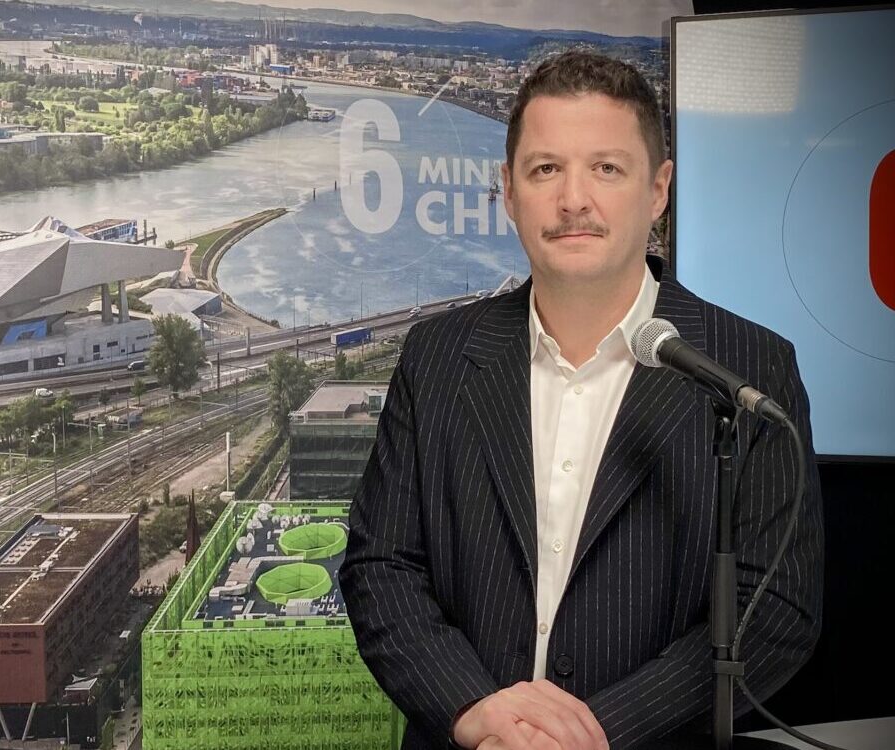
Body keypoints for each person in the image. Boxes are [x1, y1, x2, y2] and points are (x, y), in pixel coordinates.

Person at [338, 51, 824, 750]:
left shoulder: (748, 370)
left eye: (606, 168)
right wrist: (476, 711)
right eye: (545, 169)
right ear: (508, 190)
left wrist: (597, 733)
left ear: (658, 190)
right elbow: (381, 565)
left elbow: (775, 609)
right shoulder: (436, 355)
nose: (573, 200)